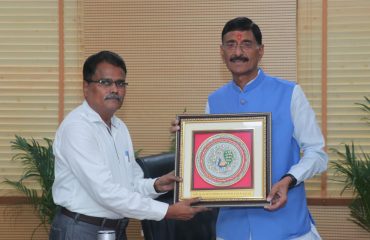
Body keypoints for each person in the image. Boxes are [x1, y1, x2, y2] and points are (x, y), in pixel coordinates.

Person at [171, 17, 328, 240]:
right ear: (222, 52)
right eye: (231, 44)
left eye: (246, 44)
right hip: (231, 230)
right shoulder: (214, 101)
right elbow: (207, 165)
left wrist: (288, 180)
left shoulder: (290, 93)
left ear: (260, 50)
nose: (238, 52)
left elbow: (318, 154)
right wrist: (186, 138)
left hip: (287, 228)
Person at [49, 50, 207, 240]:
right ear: (86, 87)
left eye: (120, 83)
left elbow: (129, 184)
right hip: (81, 229)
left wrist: (156, 186)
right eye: (105, 82)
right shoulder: (77, 128)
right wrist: (166, 211)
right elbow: (106, 192)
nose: (115, 89)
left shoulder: (119, 127)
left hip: (115, 230)